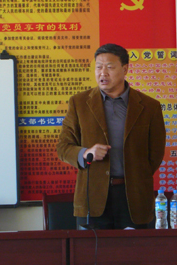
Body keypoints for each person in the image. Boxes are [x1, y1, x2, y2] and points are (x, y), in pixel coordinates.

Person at [57, 43, 166, 229]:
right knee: (91, 248)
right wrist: (85, 153)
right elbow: (63, 147)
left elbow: (155, 154)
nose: (103, 73)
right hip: (92, 197)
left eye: (109, 67)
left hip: (134, 198)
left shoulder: (150, 107)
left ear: (125, 69)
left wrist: (136, 175)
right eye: (98, 67)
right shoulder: (79, 103)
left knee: (135, 248)